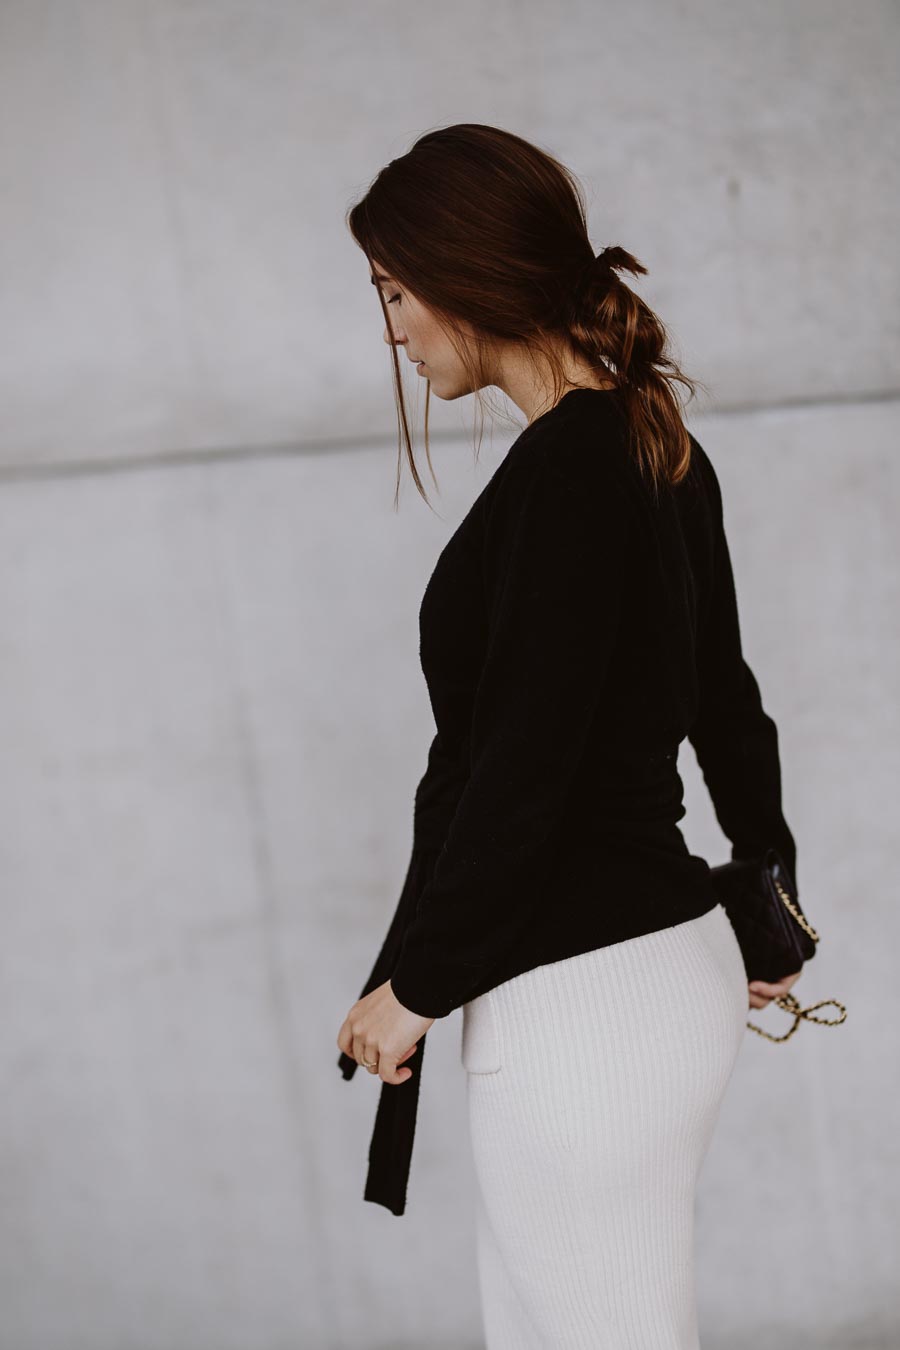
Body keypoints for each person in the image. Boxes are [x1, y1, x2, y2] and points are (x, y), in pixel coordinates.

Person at [336, 123, 802, 1349]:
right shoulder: (649, 446)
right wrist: (767, 896)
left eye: (394, 289)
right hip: (643, 971)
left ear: (466, 275)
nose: (392, 327)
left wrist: (419, 986)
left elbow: (521, 770)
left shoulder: (574, 471)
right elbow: (726, 700)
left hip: (586, 1000)